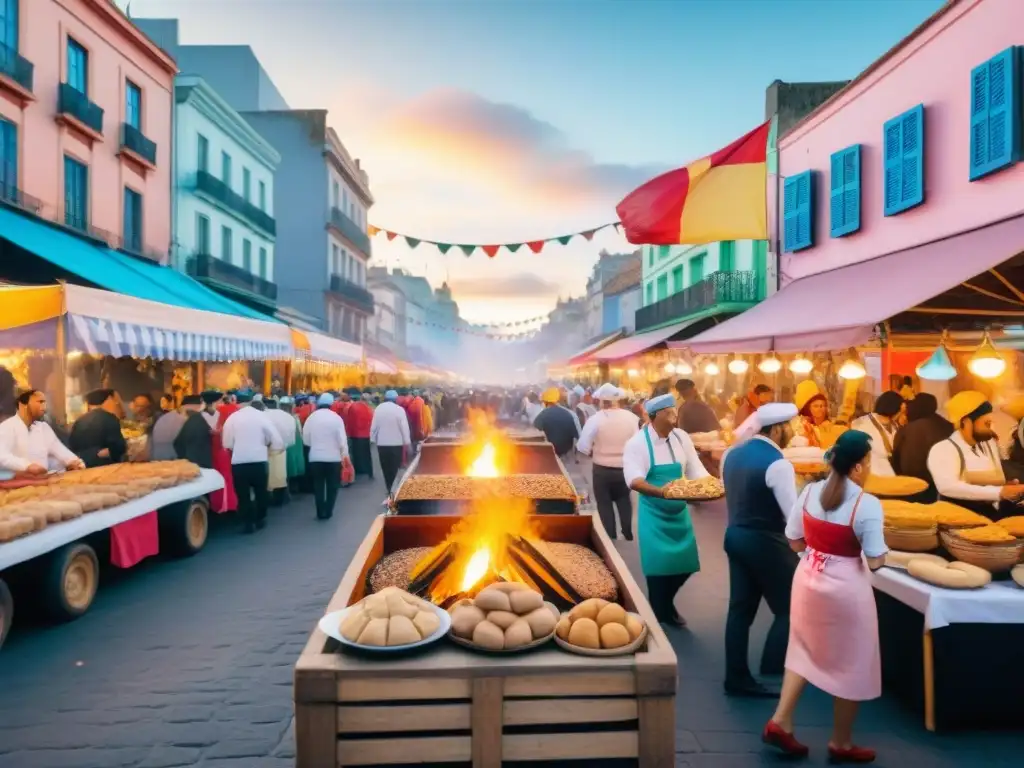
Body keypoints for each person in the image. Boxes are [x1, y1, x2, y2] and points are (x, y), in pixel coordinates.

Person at [764, 431, 887, 763]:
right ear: (859, 466)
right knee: (853, 658)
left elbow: (793, 539)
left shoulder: (809, 492)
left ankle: (781, 720)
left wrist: (816, 554)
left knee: (803, 646)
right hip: (847, 587)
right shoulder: (867, 504)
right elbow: (875, 560)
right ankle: (841, 742)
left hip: (808, 577)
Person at [720, 403, 800, 698]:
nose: (792, 432)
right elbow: (792, 516)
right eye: (790, 427)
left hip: (735, 535)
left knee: (740, 610)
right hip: (766, 541)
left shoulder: (732, 454)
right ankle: (773, 670)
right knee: (790, 607)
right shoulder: (778, 463)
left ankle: (736, 676)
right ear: (778, 429)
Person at [623, 392, 708, 626]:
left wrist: (711, 486)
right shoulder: (637, 443)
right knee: (658, 569)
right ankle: (660, 611)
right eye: (669, 412)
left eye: (675, 411)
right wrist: (663, 493)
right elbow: (634, 480)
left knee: (685, 565)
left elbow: (695, 469)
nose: (674, 416)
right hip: (654, 514)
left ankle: (664, 603)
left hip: (679, 514)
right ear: (654, 416)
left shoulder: (681, 438)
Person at [926, 391, 1024, 521]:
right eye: (986, 424)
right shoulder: (944, 449)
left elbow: (993, 482)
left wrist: (1008, 487)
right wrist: (998, 492)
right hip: (958, 521)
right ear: (966, 422)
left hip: (991, 516)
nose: (991, 426)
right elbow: (947, 487)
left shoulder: (989, 445)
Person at [576, 384, 639, 541]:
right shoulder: (631, 418)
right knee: (624, 499)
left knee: (604, 503)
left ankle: (610, 535)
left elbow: (583, 446)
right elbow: (639, 442)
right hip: (625, 468)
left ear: (602, 401)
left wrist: (592, 450)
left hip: (602, 468)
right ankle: (627, 532)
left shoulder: (596, 419)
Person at [221, 392, 283, 533]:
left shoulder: (233, 418)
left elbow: (227, 442)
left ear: (237, 402)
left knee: (243, 495)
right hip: (259, 460)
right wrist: (269, 446)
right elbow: (275, 439)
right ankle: (260, 518)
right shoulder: (261, 416)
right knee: (261, 492)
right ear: (251, 401)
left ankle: (247, 522)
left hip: (239, 462)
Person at [0, 389, 84, 474]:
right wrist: (27, 466)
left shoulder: (43, 428)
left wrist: (73, 461)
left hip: (44, 480)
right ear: (23, 405)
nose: (44, 407)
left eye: (44, 403)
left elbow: (59, 450)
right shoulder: (7, 427)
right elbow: (2, 456)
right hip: (15, 482)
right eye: (39, 402)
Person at [890, 393, 953, 503]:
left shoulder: (907, 429)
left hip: (913, 485)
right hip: (942, 484)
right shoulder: (948, 426)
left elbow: (896, 458)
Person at [302, 393, 350, 520]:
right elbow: (342, 441)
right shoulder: (336, 418)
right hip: (333, 458)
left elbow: (306, 439)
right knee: (332, 486)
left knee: (318, 485)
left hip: (315, 457)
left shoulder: (311, 418)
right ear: (331, 404)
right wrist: (345, 456)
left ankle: (320, 511)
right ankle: (328, 510)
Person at [69, 389, 128, 468]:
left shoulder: (78, 421)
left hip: (82, 468)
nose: (117, 404)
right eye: (115, 401)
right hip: (105, 468)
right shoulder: (110, 419)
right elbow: (119, 447)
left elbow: (72, 446)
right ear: (107, 400)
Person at [850, 391, 904, 477]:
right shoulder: (861, 423)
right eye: (900, 410)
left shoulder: (895, 425)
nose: (901, 413)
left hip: (892, 474)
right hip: (872, 475)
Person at [371, 389, 411, 496]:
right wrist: (406, 441)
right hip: (396, 443)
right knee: (394, 467)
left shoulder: (379, 409)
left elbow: (374, 426)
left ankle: (389, 486)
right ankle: (394, 488)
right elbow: (404, 427)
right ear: (396, 399)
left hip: (382, 443)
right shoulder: (399, 410)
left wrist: (372, 439)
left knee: (385, 467)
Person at [793, 381, 845, 450]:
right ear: (808, 408)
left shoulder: (836, 428)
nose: (820, 408)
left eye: (823, 406)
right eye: (816, 406)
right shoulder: (800, 425)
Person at [264, 398, 297, 506]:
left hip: (265, 450)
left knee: (266, 476)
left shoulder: (262, 415)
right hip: (282, 450)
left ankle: (267, 499)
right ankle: (280, 499)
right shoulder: (288, 417)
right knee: (280, 476)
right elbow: (292, 439)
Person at [533, 388, 579, 460]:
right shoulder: (568, 414)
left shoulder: (542, 415)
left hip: (548, 453)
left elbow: (535, 433)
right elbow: (576, 435)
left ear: (545, 402)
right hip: (565, 453)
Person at [173, 395, 213, 468]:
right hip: (202, 464)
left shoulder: (193, 420)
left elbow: (178, 444)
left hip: (194, 464)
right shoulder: (200, 419)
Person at [278, 397, 307, 492]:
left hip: (285, 444)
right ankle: (293, 487)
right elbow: (300, 432)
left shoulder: (279, 417)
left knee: (286, 466)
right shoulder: (294, 418)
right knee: (292, 465)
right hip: (293, 444)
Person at [345, 390, 375, 480]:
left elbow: (349, 420)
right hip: (365, 435)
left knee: (355, 453)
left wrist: (348, 432)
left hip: (354, 434)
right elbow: (371, 421)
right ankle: (369, 471)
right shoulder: (368, 409)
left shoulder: (353, 406)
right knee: (367, 454)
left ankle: (358, 471)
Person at [149, 397, 187, 461]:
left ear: (170, 403)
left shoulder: (178, 416)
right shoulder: (158, 415)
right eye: (161, 402)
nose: (162, 404)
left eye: (164, 401)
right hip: (166, 454)